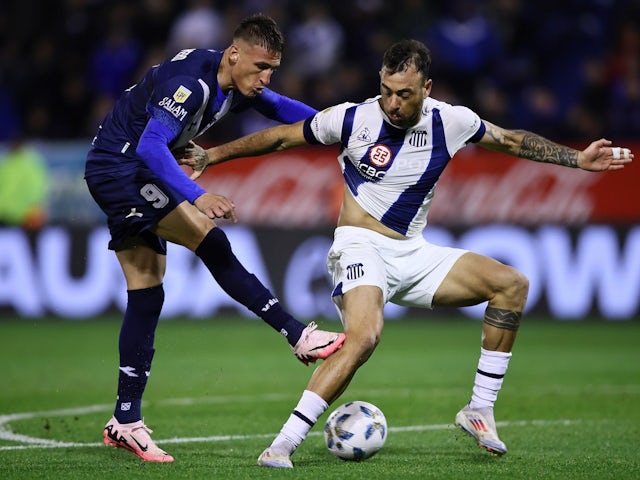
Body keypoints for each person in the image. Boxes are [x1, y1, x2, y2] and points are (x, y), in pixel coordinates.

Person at [177, 39, 633, 467]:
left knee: (511, 285)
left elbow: (512, 141)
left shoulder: (450, 121)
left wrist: (576, 160)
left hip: (413, 253)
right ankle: (283, 444)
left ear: (426, 89)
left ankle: (478, 409)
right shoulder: (353, 118)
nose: (393, 103)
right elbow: (280, 138)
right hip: (359, 246)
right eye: (387, 91)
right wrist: (212, 157)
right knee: (365, 336)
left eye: (404, 94)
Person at [84, 13, 346, 463]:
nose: (265, 78)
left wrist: (339, 128)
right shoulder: (193, 85)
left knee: (147, 293)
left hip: (125, 169)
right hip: (120, 168)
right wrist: (197, 195)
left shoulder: (235, 83)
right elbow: (150, 146)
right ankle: (296, 334)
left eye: (272, 70)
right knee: (210, 238)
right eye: (260, 67)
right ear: (234, 54)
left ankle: (125, 420)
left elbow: (282, 108)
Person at [0, 136, 49, 230]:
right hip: (23, 217)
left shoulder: (6, 164)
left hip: (18, 218)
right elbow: (37, 191)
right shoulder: (33, 165)